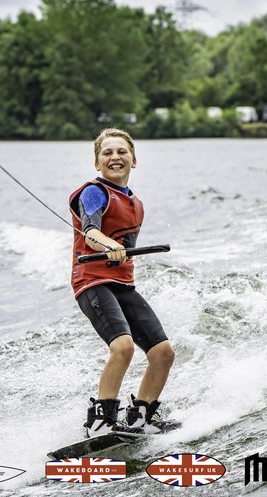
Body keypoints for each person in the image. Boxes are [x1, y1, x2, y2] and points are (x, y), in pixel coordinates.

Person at [69, 128, 176, 438]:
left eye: (121, 152)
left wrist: (118, 253)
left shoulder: (136, 203)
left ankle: (141, 415)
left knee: (163, 352)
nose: (115, 157)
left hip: (122, 284)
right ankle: (101, 420)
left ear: (134, 160)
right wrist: (107, 245)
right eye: (107, 153)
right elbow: (90, 230)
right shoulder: (93, 192)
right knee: (123, 346)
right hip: (91, 282)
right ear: (97, 163)